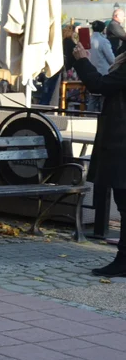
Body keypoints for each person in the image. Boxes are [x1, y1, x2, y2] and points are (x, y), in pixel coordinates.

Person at [73, 42, 126, 277]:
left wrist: (82, 60)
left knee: (125, 205)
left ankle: (123, 261)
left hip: (122, 142)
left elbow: (99, 85)